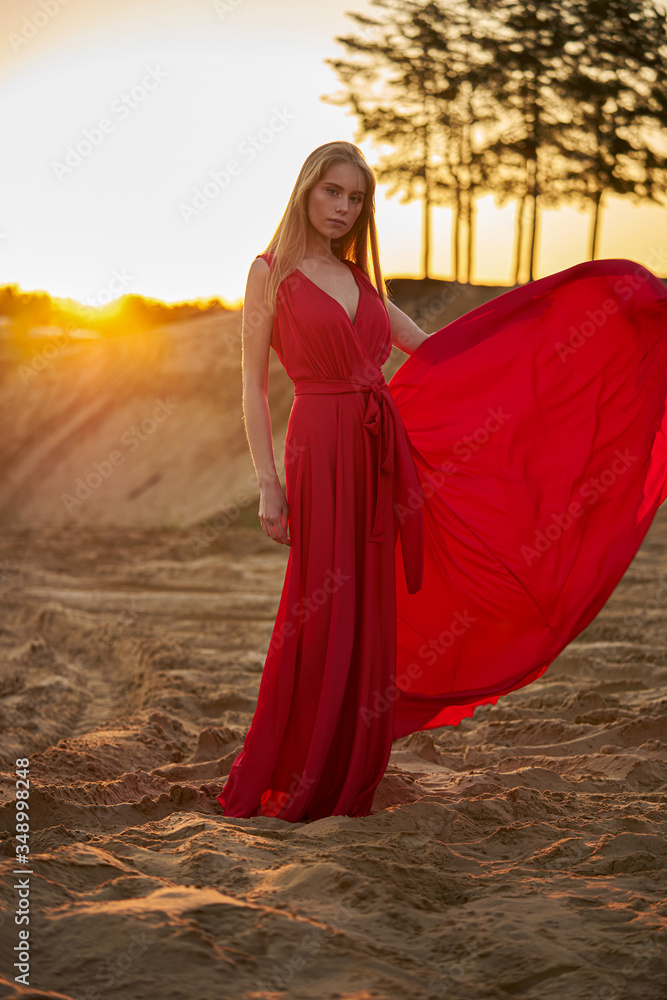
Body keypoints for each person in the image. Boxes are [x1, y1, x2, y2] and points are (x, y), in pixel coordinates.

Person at [216, 139, 667, 823]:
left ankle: (349, 764)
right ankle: (295, 763)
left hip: (380, 452)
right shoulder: (268, 273)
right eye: (331, 192)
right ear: (306, 190)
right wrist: (266, 483)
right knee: (320, 604)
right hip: (321, 446)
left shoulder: (361, 282)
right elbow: (249, 387)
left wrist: (559, 327)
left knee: (369, 608)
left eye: (355, 198)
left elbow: (440, 355)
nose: (342, 207)